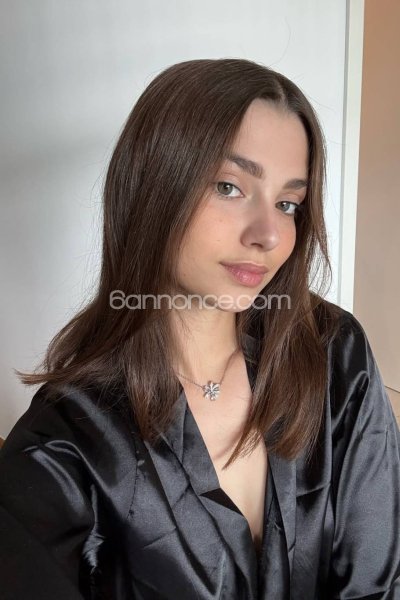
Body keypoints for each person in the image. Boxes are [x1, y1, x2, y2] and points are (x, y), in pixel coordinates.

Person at [0, 58, 399, 600]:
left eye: (288, 203)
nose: (268, 234)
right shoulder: (66, 443)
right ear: (154, 186)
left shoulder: (333, 351)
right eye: (229, 187)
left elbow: (378, 579)